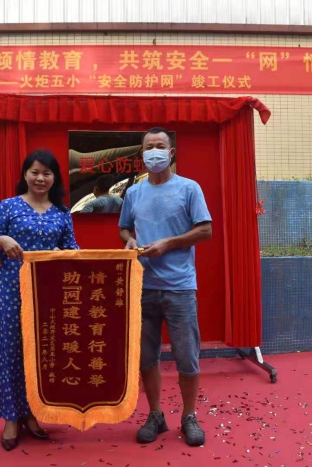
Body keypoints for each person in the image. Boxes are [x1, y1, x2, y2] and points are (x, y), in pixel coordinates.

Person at [118, 127, 212, 447]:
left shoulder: (189, 188)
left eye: (160, 146)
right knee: (147, 356)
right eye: (149, 147)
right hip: (143, 286)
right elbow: (124, 228)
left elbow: (205, 230)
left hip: (180, 287)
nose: (154, 152)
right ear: (141, 153)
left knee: (187, 356)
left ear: (170, 153)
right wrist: (130, 240)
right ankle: (156, 414)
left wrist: (169, 243)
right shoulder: (134, 193)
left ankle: (189, 416)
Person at [0, 150, 80, 452]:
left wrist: (65, 255)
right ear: (25, 174)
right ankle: (11, 417)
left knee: (40, 353)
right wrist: (2, 241)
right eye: (35, 172)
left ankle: (32, 412)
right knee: (9, 352)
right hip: (10, 291)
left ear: (55, 178)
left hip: (47, 294)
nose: (40, 178)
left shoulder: (62, 213)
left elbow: (73, 250)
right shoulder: (9, 206)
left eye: (47, 173)